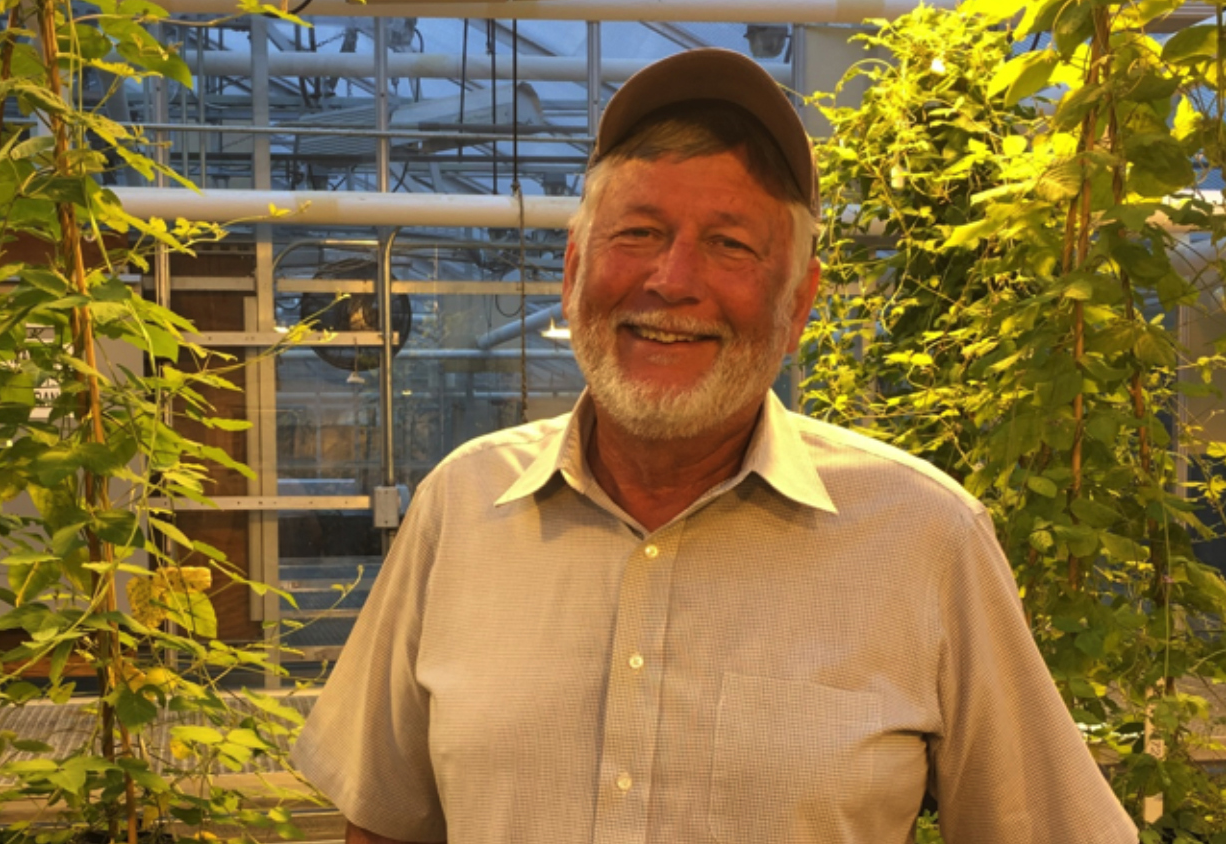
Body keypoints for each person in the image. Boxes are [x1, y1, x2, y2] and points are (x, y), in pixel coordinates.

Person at [290, 48, 1139, 844]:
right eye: (638, 233)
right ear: (573, 269)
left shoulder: (924, 538)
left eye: (730, 244)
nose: (672, 280)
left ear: (799, 303)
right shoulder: (460, 507)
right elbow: (383, 818)